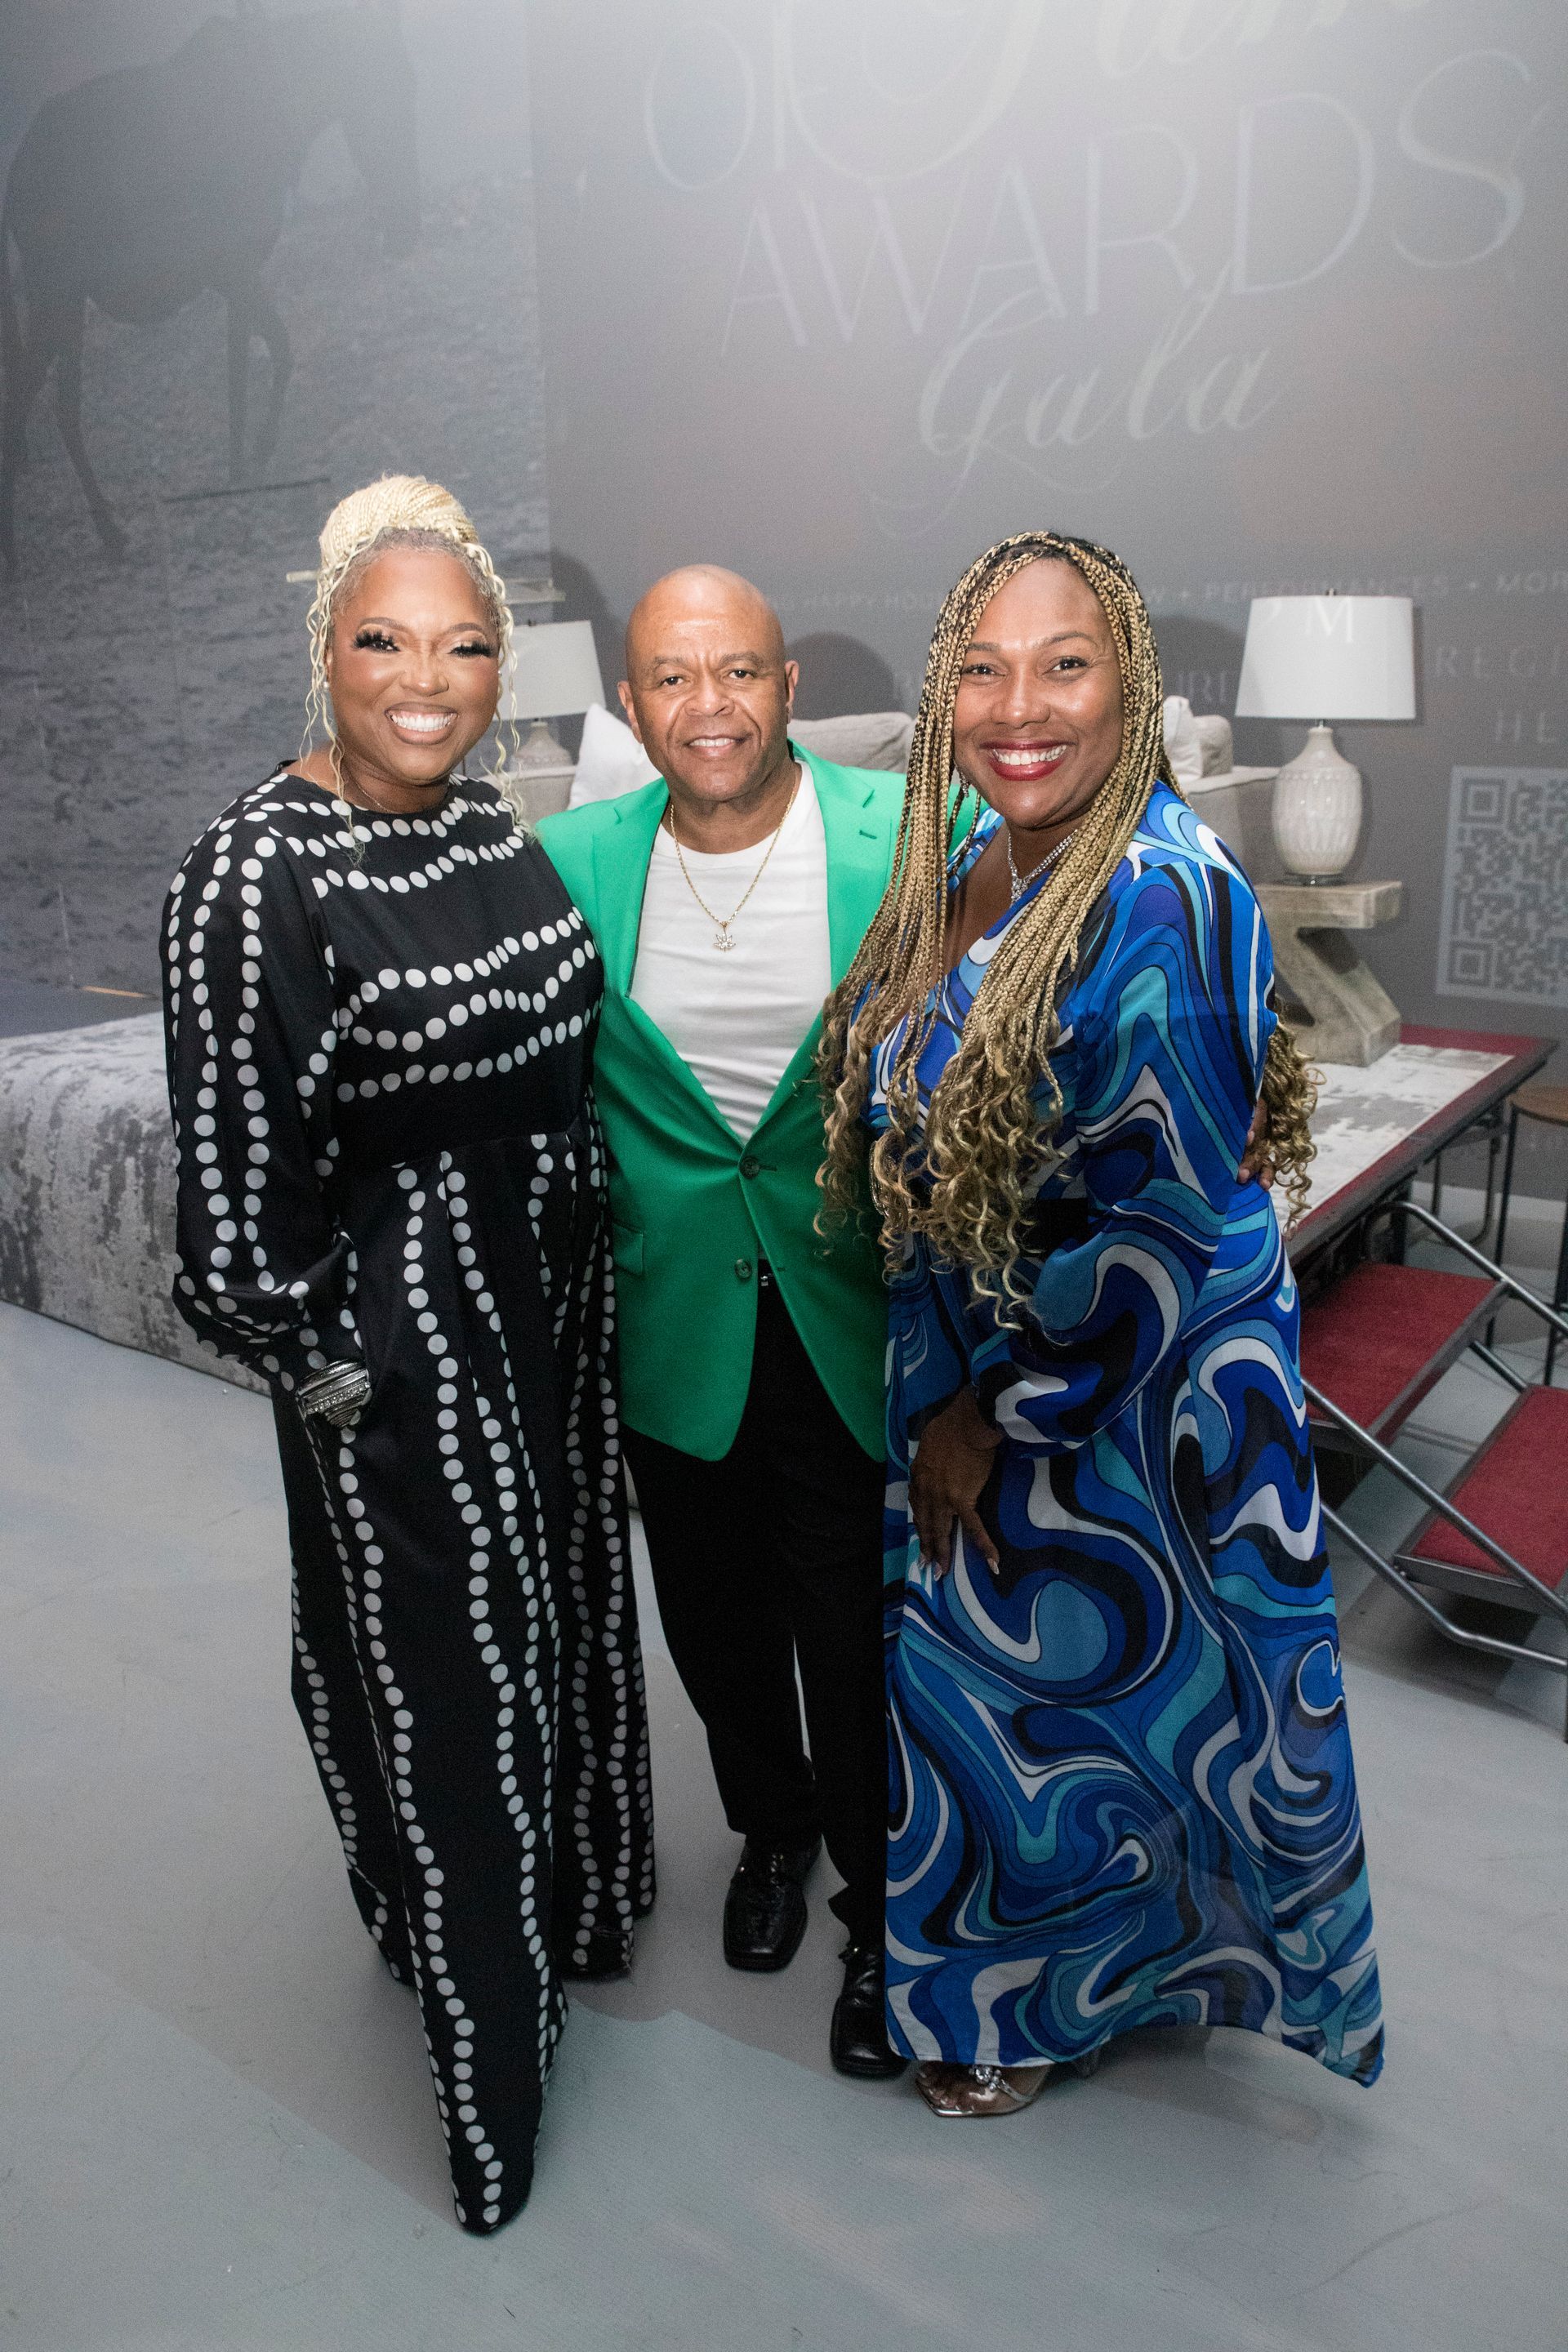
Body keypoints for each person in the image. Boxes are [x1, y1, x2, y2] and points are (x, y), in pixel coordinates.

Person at [819, 530, 1384, 2118]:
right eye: (984, 667)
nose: (1021, 704)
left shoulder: (1159, 895)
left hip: (1111, 1407)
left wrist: (991, 1419)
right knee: (1069, 1707)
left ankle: (1023, 2012)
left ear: (1129, 680)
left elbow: (1156, 1244)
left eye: (1063, 663)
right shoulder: (987, 851)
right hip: (1001, 1360)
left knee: (1061, 1710)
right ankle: (1103, 1964)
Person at [160, 474, 653, 2232]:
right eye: (384, 640)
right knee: (444, 1685)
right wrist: (337, 1370)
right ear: (326, 652)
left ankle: (576, 1913)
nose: (425, 679)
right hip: (406, 1348)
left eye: (460, 645)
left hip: (544, 1315)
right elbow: (228, 1204)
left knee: (560, 1632)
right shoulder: (252, 872)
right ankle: (491, 2093)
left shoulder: (485, 828)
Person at [537, 567, 907, 2078]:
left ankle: (886, 1919)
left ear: (789, 687)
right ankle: (773, 1828)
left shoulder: (907, 836)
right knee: (714, 1610)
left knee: (857, 1623)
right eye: (675, 679)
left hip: (850, 1304)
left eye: (741, 673)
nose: (712, 707)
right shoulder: (566, 860)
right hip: (674, 1313)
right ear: (632, 705)